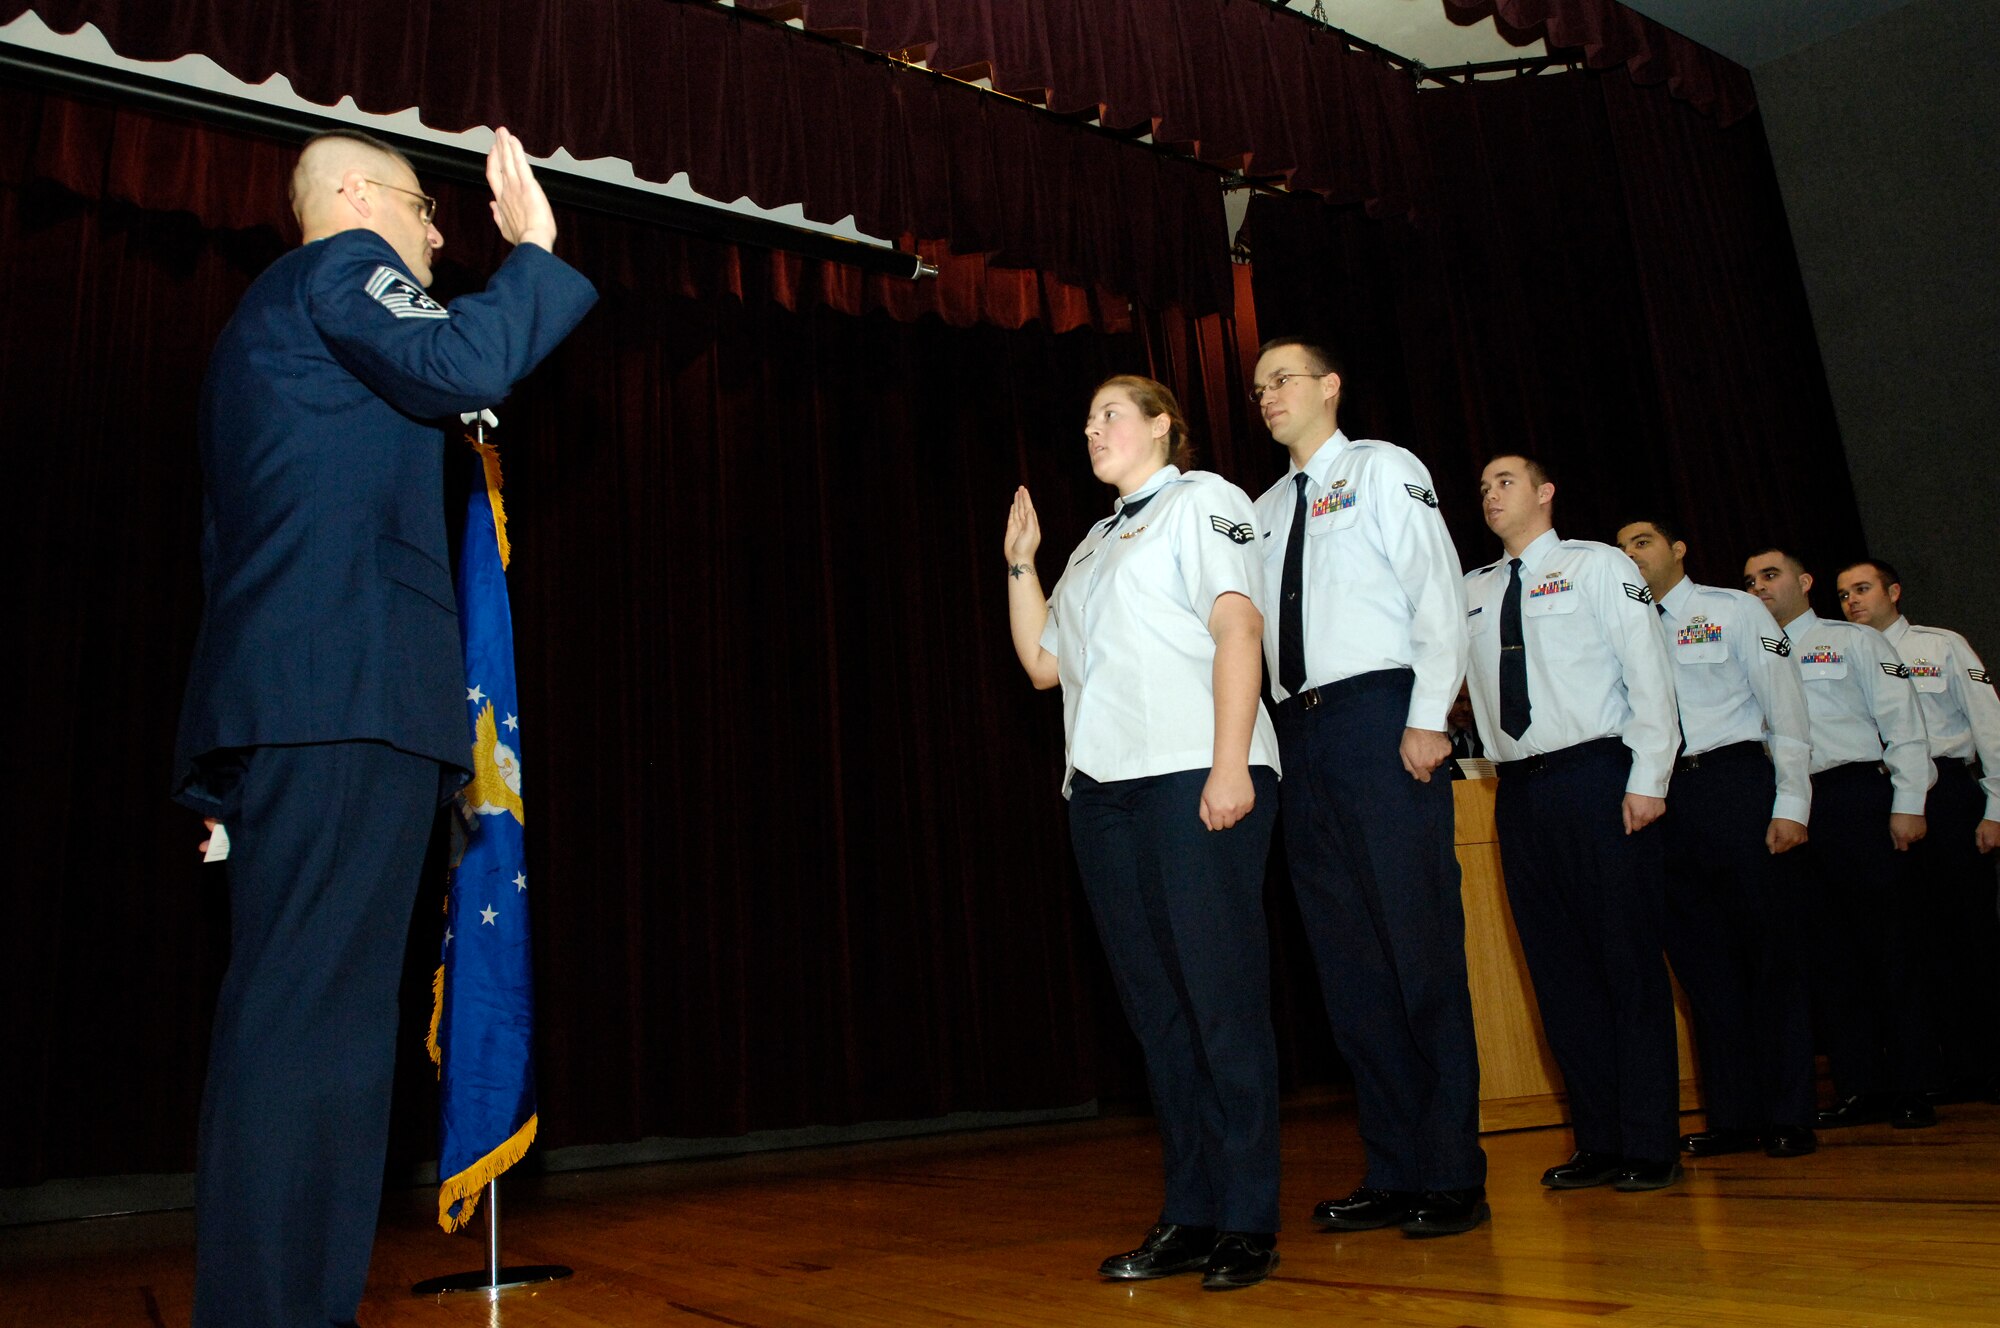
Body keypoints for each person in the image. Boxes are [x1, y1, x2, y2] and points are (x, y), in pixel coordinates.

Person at [172, 127, 597, 1326]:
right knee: (316, 1032)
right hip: (345, 700)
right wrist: (536, 252)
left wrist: (217, 773)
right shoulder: (339, 270)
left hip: (304, 706)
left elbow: (229, 555)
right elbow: (464, 359)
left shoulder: (254, 332)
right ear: (356, 198)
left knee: (308, 1022)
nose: (435, 232)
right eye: (422, 207)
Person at [1003, 375, 1284, 1291]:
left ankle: (1247, 1218)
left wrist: (1232, 761)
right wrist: (1021, 564)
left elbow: (1238, 626)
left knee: (1219, 1001)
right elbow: (1044, 666)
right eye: (1084, 419)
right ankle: (1191, 1213)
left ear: (1163, 428)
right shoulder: (1090, 543)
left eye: (1110, 414)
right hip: (1105, 794)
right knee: (1159, 1018)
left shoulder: (1204, 502)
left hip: (1191, 775)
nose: (1092, 429)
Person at [1246, 339, 1487, 1237]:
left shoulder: (1385, 469)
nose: (1269, 395)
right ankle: (1394, 1167)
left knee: (1417, 948)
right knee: (1348, 967)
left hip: (1380, 718)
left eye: (1286, 380)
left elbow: (1436, 593)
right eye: (1260, 386)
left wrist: (1430, 716)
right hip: (1298, 737)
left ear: (1331, 386)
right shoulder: (1263, 509)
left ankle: (1454, 1170)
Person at [1464, 457, 1682, 1192]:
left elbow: (1648, 671)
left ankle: (1651, 1142)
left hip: (1599, 779)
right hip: (1519, 793)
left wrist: (1649, 778)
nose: (1492, 494)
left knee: (1625, 962)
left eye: (1506, 481)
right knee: (1558, 973)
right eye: (1485, 486)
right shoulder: (1472, 591)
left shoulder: (1597, 567)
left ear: (1546, 490)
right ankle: (1600, 1139)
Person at [1615, 518, 1817, 1160]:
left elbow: (1785, 707)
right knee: (1702, 965)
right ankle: (1735, 1115)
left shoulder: (1732, 609)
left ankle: (1789, 1112)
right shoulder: (1620, 621)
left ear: (1678, 549)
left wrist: (1792, 803)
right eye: (1620, 549)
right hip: (1666, 798)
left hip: (1734, 783)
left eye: (1642, 543)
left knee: (1767, 954)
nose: (1631, 556)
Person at [1741, 549, 1936, 1128]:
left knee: (1885, 945)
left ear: (1804, 582)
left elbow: (1902, 722)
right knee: (1826, 954)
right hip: (1790, 806)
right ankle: (1858, 1086)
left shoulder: (1851, 640)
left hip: (1854, 796)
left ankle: (1914, 1084)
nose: (1758, 588)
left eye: (1770, 576)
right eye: (1748, 581)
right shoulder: (1752, 651)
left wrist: (1907, 802)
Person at [1834, 558, 2000, 1101]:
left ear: (1894, 592)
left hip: (1949, 794)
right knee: (1913, 938)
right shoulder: (1843, 656)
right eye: (1842, 595)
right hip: (1884, 799)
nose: (1852, 601)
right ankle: (1947, 1066)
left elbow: (1989, 724)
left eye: (1862, 589)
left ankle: (1990, 1062)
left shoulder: (1940, 645)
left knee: (1971, 932)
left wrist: (1995, 807)